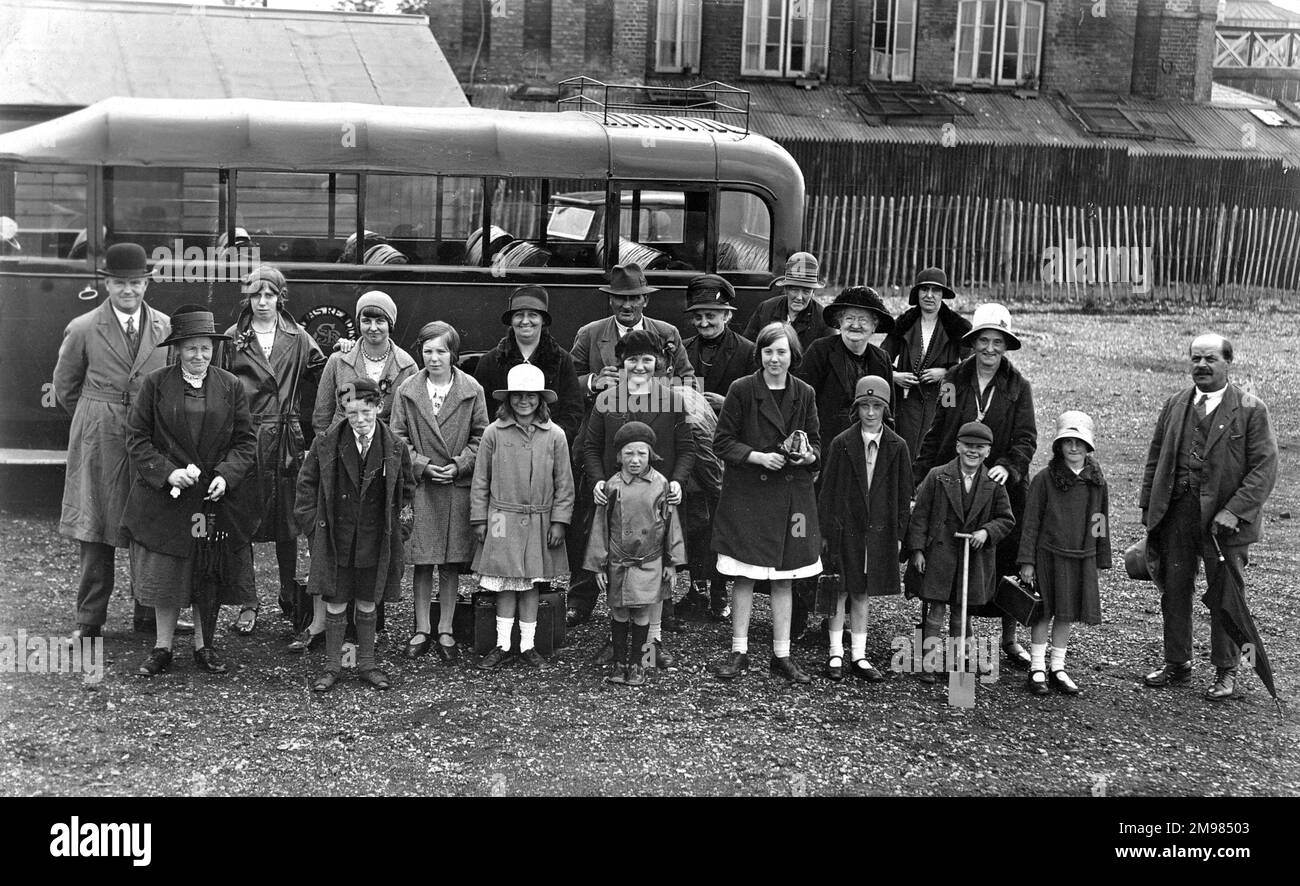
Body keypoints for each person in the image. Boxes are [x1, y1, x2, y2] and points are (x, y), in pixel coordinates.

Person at [53, 242, 181, 639]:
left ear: (147, 284)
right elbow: (64, 388)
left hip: (149, 434)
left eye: (136, 283)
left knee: (149, 520)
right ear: (106, 284)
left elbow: (171, 380)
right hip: (99, 434)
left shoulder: (164, 326)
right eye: (120, 283)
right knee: (95, 527)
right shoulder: (84, 327)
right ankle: (89, 621)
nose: (129, 290)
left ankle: (149, 611)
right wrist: (95, 418)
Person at [1139, 334, 1278, 700]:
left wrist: (1235, 511)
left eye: (1210, 359)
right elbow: (1156, 458)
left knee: (1226, 596)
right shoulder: (1175, 404)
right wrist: (1148, 507)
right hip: (1177, 514)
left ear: (1228, 362)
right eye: (1196, 358)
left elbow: (1265, 468)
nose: (1201, 365)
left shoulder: (1250, 409)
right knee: (1174, 589)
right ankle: (1177, 662)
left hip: (1224, 521)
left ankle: (1226, 671)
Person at [122, 306, 258, 677]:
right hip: (167, 499)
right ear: (177, 350)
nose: (199, 356)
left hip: (210, 501)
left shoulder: (230, 386)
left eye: (205, 348)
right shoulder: (156, 384)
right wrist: (168, 474)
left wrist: (226, 476)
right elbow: (137, 438)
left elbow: (246, 442)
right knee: (168, 573)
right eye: (191, 349)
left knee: (206, 570)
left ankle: (204, 646)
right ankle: (162, 647)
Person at [565, 262, 694, 628]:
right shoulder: (591, 334)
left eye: (634, 298)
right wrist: (593, 381)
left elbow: (687, 376)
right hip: (608, 440)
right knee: (596, 529)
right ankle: (585, 597)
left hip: (656, 450)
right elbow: (567, 378)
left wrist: (666, 392)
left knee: (657, 535)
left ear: (644, 300)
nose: (627, 305)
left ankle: (657, 618)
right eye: (620, 298)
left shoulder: (666, 333)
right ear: (610, 302)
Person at [912, 303, 1037, 671]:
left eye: (997, 342)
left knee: (1002, 564)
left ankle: (1010, 640)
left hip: (999, 487)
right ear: (974, 342)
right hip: (954, 484)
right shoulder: (953, 380)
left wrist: (1007, 467)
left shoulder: (1018, 387)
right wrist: (921, 476)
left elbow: (1027, 439)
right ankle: (934, 645)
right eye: (983, 340)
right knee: (942, 558)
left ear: (1006, 345)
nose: (989, 349)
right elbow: (938, 431)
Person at [301, 290, 416, 646]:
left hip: (380, 456)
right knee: (337, 545)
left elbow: (404, 419)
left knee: (371, 545)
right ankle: (324, 626)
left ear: (390, 324)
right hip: (340, 460)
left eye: (380, 320)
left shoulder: (406, 366)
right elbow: (322, 415)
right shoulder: (339, 361)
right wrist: (329, 453)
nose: (372, 327)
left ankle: (365, 634)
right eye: (366, 319)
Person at [712, 322, 822, 684]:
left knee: (784, 579)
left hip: (792, 498)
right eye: (768, 352)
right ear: (758, 354)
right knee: (744, 575)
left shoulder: (804, 393)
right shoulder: (742, 390)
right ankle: (739, 650)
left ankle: (782, 654)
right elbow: (723, 442)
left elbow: (816, 446)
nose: (774, 359)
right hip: (749, 494)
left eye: (782, 352)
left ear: (793, 356)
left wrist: (806, 457)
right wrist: (758, 457)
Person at [581, 330, 696, 667]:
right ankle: (616, 642)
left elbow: (687, 449)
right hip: (616, 501)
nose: (641, 366)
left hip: (656, 501)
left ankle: (651, 644)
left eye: (647, 359)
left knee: (654, 569)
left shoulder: (671, 400)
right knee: (618, 567)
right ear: (622, 362)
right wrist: (598, 480)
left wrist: (677, 482)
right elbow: (590, 447)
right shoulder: (607, 400)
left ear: (658, 362)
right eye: (633, 360)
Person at [294, 379, 416, 692]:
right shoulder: (326, 445)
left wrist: (400, 531)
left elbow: (407, 493)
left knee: (367, 600)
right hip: (338, 538)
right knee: (335, 600)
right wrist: (312, 528)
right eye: (351, 414)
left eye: (366, 412)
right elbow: (306, 487)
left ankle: (367, 664)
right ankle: (334, 665)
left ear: (379, 407)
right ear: (343, 413)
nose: (359, 420)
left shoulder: (395, 448)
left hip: (375, 539)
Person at [223, 265, 326, 635]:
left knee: (288, 519)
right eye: (256, 295)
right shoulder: (235, 336)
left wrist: (349, 350)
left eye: (270, 295)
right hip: (248, 436)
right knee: (243, 518)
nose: (263, 302)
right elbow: (222, 387)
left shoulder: (297, 336)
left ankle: (288, 593)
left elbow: (323, 371)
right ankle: (248, 602)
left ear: (281, 298)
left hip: (286, 436)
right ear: (247, 299)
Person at [391, 321, 489, 663]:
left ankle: (445, 627)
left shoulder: (471, 389)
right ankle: (421, 627)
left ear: (454, 354)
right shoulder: (407, 390)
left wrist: (460, 464)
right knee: (423, 559)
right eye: (428, 350)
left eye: (441, 351)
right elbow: (397, 437)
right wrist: (419, 464)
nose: (434, 358)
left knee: (449, 561)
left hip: (454, 487)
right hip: (422, 487)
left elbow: (482, 437)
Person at [470, 364, 575, 670]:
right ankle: (503, 645)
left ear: (541, 400)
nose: (524, 401)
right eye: (518, 395)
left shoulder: (555, 435)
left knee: (530, 583)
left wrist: (559, 521)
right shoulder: (493, 432)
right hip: (501, 517)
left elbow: (564, 484)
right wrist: (480, 518)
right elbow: (481, 480)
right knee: (504, 581)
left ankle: (527, 645)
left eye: (531, 396)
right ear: (509, 398)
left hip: (539, 519)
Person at [817, 376, 911, 682]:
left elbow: (902, 495)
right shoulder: (842, 443)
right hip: (846, 529)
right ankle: (835, 651)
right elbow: (828, 492)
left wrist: (898, 536)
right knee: (840, 588)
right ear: (856, 409)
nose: (870, 412)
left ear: (886, 409)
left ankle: (859, 654)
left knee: (862, 592)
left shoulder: (898, 447)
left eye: (877, 406)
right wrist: (826, 534)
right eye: (865, 406)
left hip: (877, 533)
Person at [906, 422, 1015, 685]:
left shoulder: (994, 483)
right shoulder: (937, 476)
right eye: (968, 446)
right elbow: (920, 517)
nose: (973, 452)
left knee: (961, 614)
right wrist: (918, 551)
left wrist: (986, 532)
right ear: (957, 446)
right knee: (935, 612)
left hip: (972, 559)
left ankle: (957, 665)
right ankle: (928, 663)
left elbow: (1006, 519)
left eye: (979, 448)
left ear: (988, 451)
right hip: (939, 558)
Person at [584, 422, 687, 687]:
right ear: (619, 456)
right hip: (619, 561)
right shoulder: (612, 486)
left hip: (649, 560)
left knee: (643, 612)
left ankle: (641, 663)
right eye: (628, 453)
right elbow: (600, 526)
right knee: (619, 611)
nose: (635, 460)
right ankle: (619, 662)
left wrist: (671, 562)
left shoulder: (661, 484)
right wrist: (598, 564)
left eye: (641, 453)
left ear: (651, 454)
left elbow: (670, 524)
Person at [1018, 411, 1112, 696]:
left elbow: (1100, 520)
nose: (1074, 448)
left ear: (1088, 447)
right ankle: (1036, 667)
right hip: (1049, 556)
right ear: (1059, 445)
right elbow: (1031, 521)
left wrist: (1098, 557)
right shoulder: (1044, 479)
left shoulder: (1096, 481)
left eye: (1079, 443)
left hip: (1080, 556)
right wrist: (1027, 561)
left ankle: (1057, 666)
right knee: (1044, 611)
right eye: (1068, 442)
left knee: (1066, 613)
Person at [473, 285, 585, 446]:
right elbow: (481, 413)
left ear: (543, 320)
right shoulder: (490, 361)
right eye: (519, 315)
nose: (525, 321)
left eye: (532, 315)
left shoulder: (562, 360)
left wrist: (550, 441)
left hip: (548, 450)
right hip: (503, 449)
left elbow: (573, 411)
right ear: (511, 321)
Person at [797, 285, 895, 462]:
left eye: (863, 320)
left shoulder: (882, 359)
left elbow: (889, 412)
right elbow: (801, 403)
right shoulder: (820, 351)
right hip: (827, 449)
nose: (855, 325)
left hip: (868, 452)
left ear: (874, 326)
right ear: (839, 322)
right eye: (849, 318)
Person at [882, 267, 972, 458]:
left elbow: (971, 365)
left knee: (937, 448)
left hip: (945, 395)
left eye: (936, 290)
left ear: (942, 295)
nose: (929, 295)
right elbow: (880, 358)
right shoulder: (904, 323)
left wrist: (947, 373)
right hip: (907, 398)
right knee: (905, 449)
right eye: (924, 289)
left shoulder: (957, 326)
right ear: (917, 293)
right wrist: (895, 375)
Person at [681, 274, 755, 413]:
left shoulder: (748, 351)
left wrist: (727, 403)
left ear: (727, 316)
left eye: (710, 316)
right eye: (698, 317)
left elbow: (758, 401)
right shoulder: (683, 349)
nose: (703, 323)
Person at [741, 252, 830, 351]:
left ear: (813, 292)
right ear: (786, 289)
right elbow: (747, 348)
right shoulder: (765, 309)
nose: (799, 297)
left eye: (806, 291)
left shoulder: (823, 319)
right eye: (795, 290)